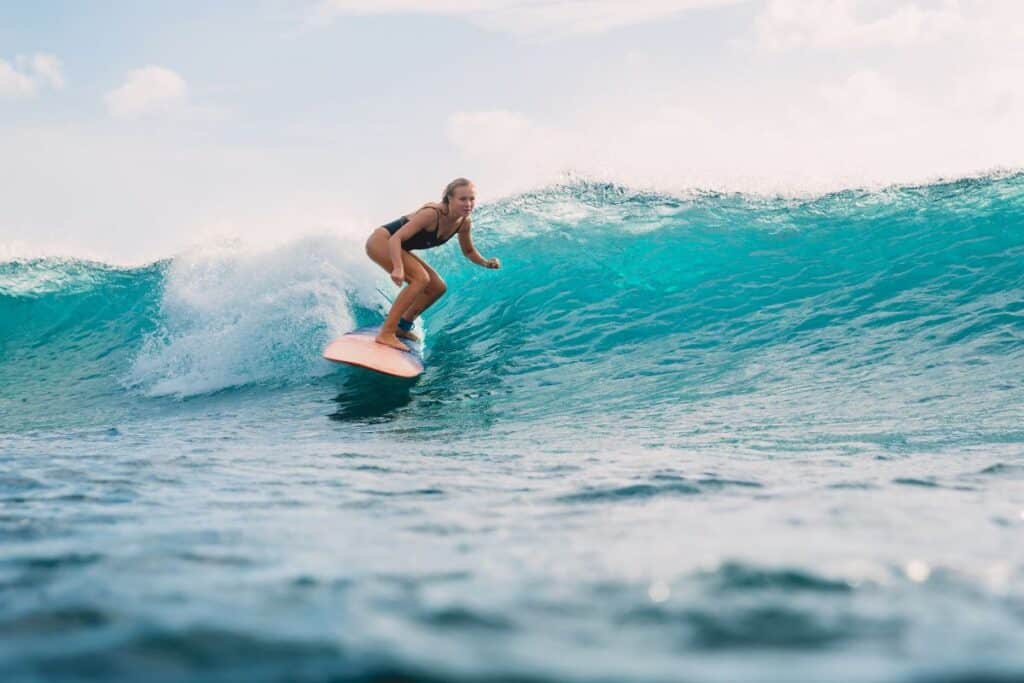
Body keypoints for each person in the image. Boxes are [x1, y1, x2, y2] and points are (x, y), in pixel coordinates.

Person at [364, 178, 500, 351]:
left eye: (471, 199)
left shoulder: (463, 222)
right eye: (462, 199)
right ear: (449, 198)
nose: (468, 204)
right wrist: (398, 268)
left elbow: (469, 252)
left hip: (398, 246)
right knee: (420, 279)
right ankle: (386, 333)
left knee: (437, 287)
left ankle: (402, 327)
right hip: (382, 242)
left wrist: (486, 263)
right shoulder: (431, 214)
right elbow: (396, 238)